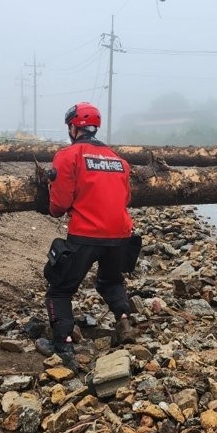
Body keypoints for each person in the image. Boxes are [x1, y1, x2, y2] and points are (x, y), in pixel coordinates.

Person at [43, 102, 138, 370]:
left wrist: (51, 201)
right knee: (111, 280)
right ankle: (124, 320)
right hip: (121, 233)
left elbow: (59, 204)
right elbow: (126, 197)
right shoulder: (119, 160)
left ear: (74, 127)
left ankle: (63, 342)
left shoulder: (68, 155)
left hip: (86, 233)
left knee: (59, 290)